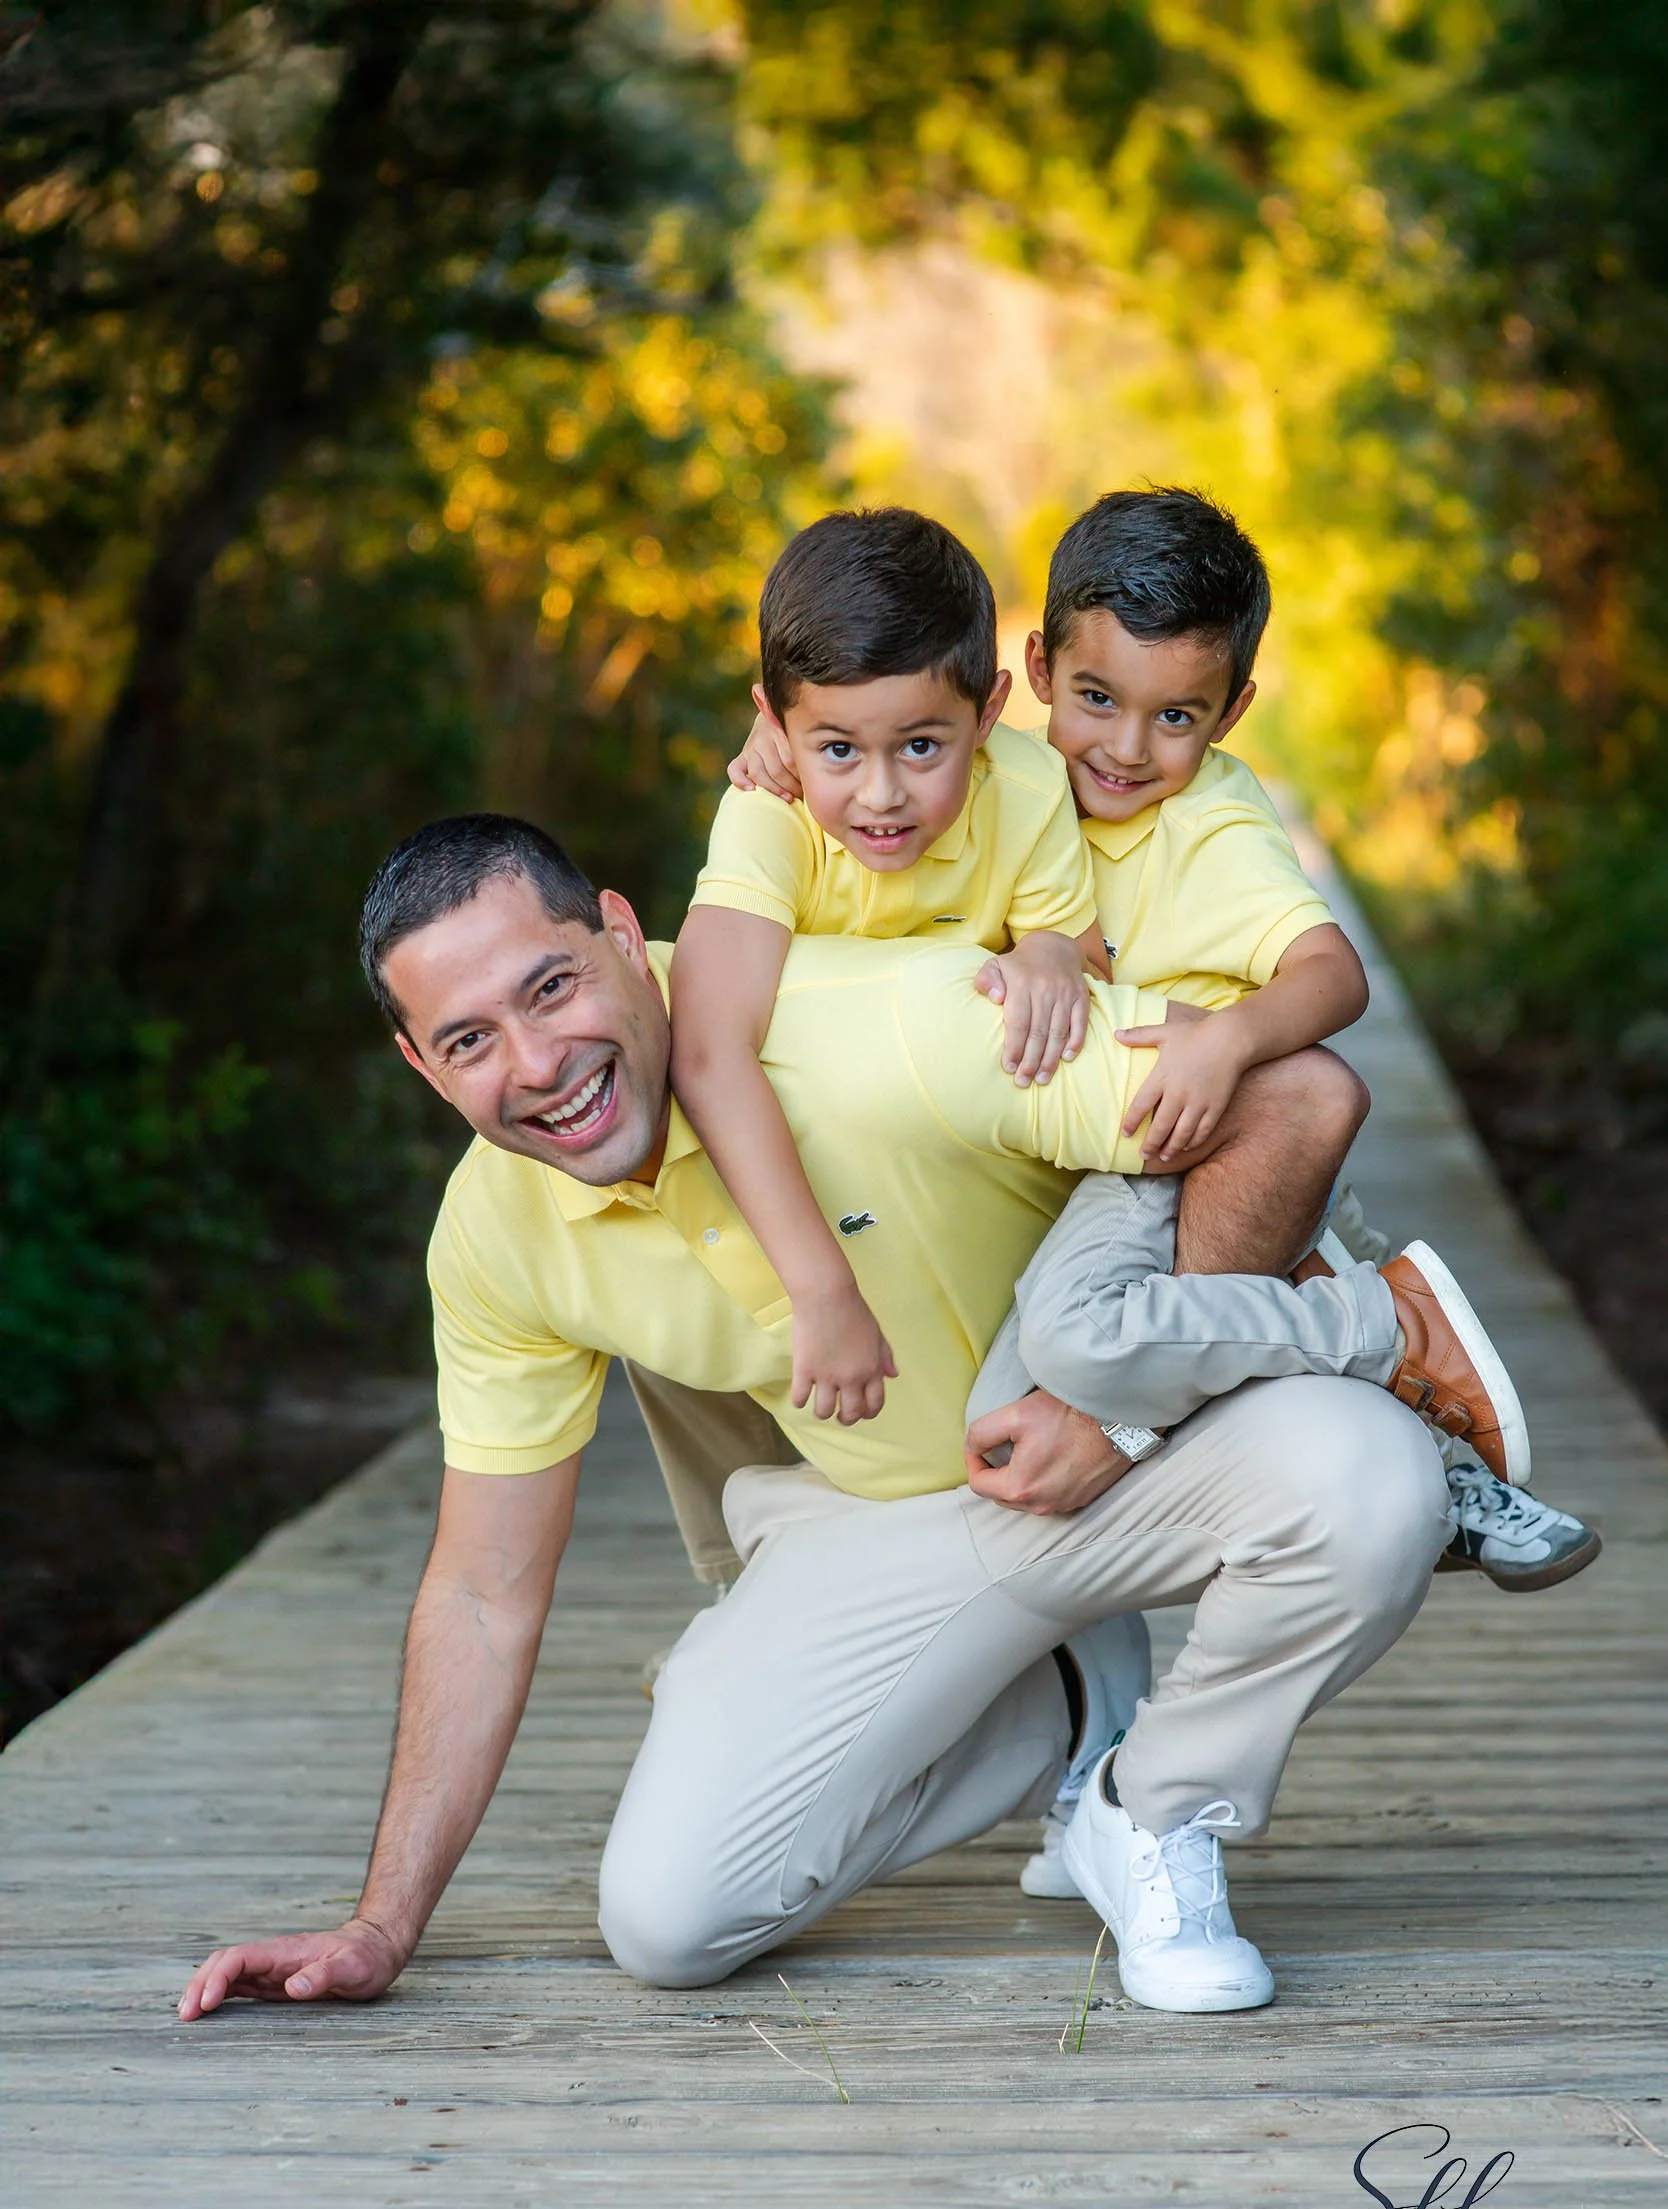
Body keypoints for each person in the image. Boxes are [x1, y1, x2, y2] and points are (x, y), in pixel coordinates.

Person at [177, 816, 1522, 2025]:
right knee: (669, 1923)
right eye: (470, 1041)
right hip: (868, 1525)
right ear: (421, 1065)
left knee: (1376, 1480)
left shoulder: (888, 1027)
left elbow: (1298, 1098)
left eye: (551, 987)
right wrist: (380, 1924)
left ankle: (1151, 1803)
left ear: (626, 938)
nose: (537, 1066)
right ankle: (1059, 1696)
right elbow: (479, 1590)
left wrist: (1112, 1419)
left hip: (1129, 1473)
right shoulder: (494, 1235)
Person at [730, 485, 1600, 1599]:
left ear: (1230, 713)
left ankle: (1382, 1330)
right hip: (1085, 1154)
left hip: (1178, 1149)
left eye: (1176, 717)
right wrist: (775, 740)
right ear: (1035, 675)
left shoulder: (1212, 826)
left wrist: (1229, 1040)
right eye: (1096, 697)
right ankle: (1419, 1432)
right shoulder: (997, 776)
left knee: (1079, 1346)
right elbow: (875, 729)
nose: (1127, 749)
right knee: (1031, 1398)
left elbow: (1332, 975)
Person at [670, 507, 1108, 1433]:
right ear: (774, 726)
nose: (879, 795)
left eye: (920, 746)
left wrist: (1049, 952)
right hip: (804, 1189)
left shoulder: (1026, 789)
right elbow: (707, 1049)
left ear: (988, 712)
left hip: (963, 1172)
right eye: (837, 748)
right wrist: (821, 1290)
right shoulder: (772, 811)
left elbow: (1086, 958)